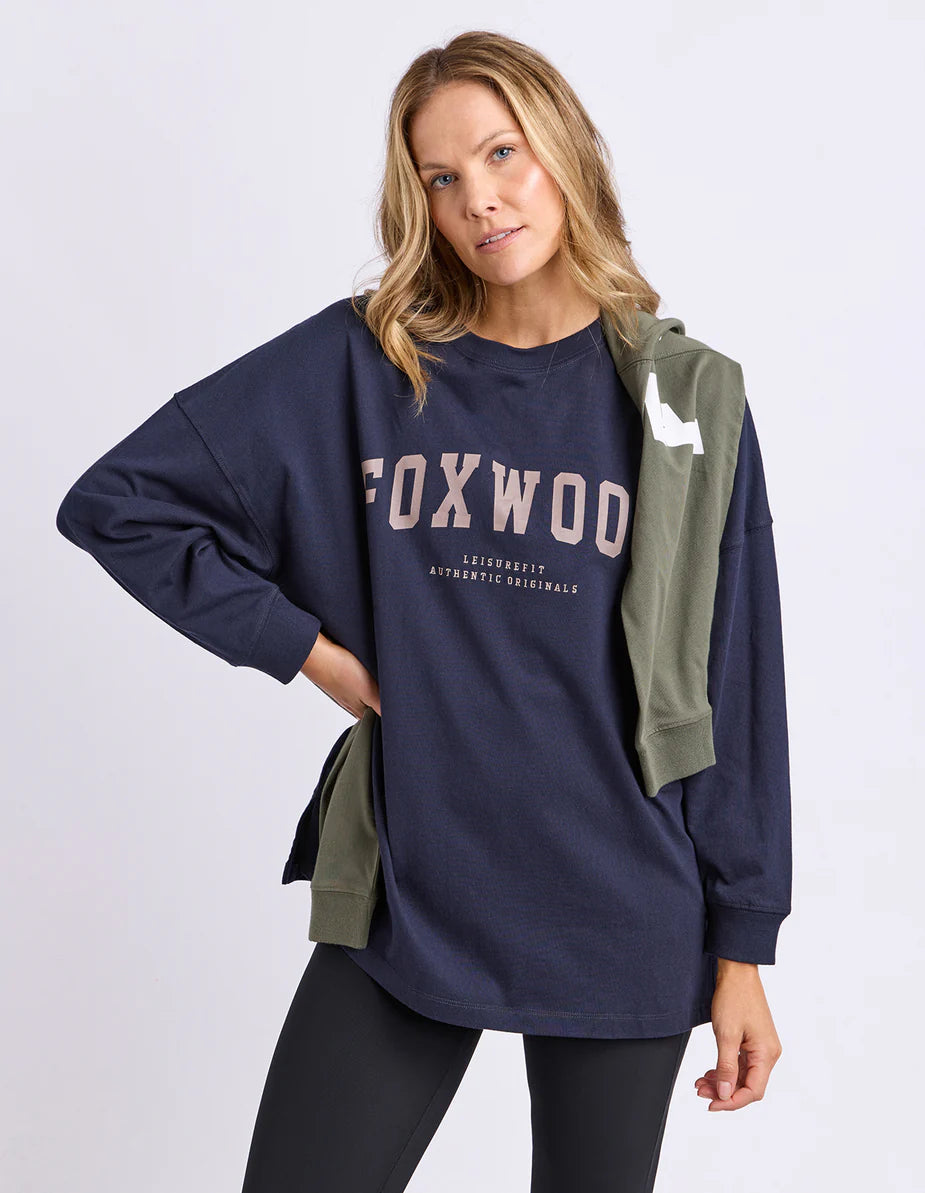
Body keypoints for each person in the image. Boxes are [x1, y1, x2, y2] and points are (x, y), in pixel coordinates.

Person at [55, 29, 793, 1193]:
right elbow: (119, 502)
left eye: (501, 154)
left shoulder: (683, 401)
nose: (478, 200)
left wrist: (743, 943)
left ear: (564, 150)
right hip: (413, 889)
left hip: (622, 903)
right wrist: (308, 652)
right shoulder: (369, 362)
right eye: (440, 178)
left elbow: (735, 676)